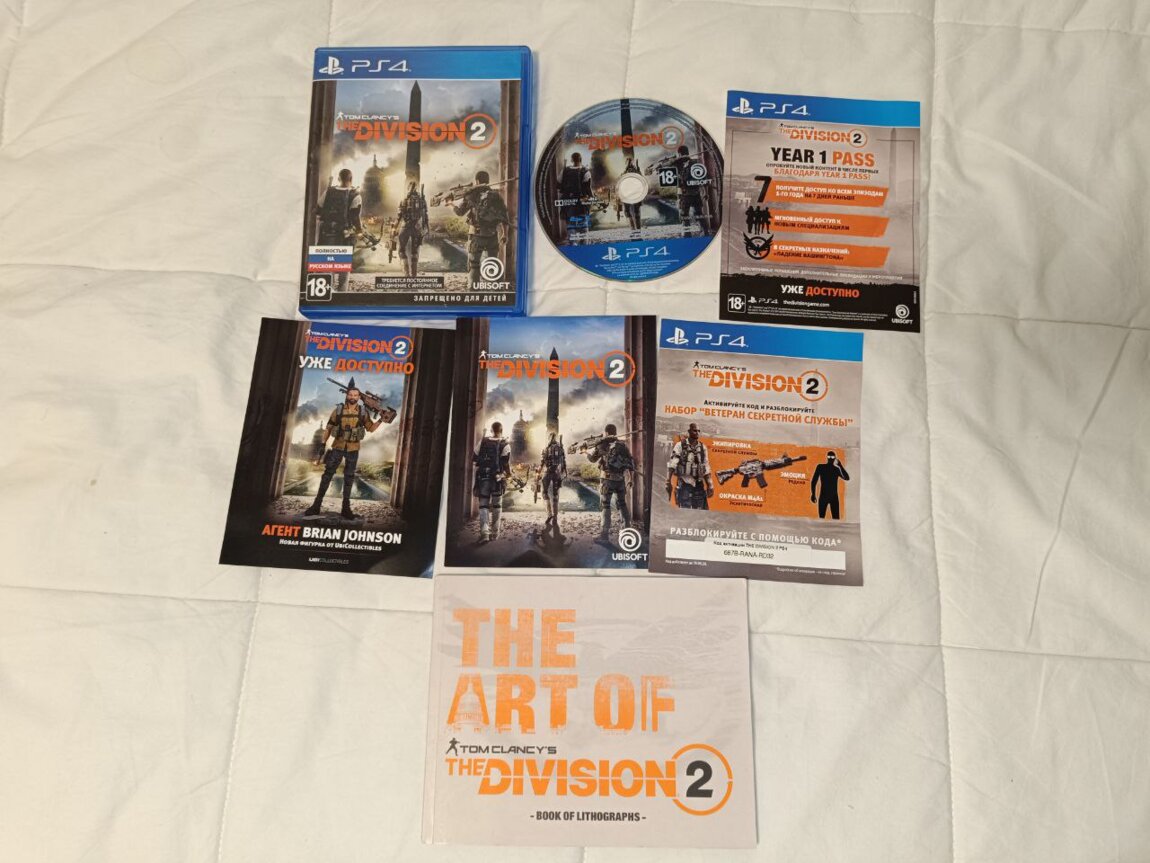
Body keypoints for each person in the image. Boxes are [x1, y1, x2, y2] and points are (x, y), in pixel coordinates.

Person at [304, 381, 386, 519]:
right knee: (327, 475)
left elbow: (371, 429)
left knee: (349, 477)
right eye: (350, 394)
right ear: (347, 396)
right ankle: (316, 505)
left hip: (353, 449)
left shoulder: (363, 412)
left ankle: (346, 509)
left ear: (359, 397)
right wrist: (323, 444)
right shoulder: (338, 410)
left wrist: (381, 420)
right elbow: (329, 428)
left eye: (355, 395)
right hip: (337, 447)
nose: (353, 397)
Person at [450, 171, 509, 287]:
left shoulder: (472, 194)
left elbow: (460, 212)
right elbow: (504, 217)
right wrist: (504, 234)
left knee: (474, 264)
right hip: (492, 235)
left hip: (476, 235)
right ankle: (499, 289)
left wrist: (451, 204)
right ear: (488, 181)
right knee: (494, 263)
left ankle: (473, 288)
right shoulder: (496, 196)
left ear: (477, 181)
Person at [315, 168, 362, 289]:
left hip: (326, 235)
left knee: (327, 268)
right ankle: (341, 295)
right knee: (343, 270)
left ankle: (328, 294)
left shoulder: (328, 191)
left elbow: (318, 210)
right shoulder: (355, 195)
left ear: (338, 178)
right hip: (344, 236)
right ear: (351, 179)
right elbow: (355, 217)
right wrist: (359, 231)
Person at [588, 424, 635, 540]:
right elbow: (630, 463)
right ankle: (627, 532)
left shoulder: (602, 444)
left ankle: (604, 536)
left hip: (607, 480)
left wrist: (585, 452)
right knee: (622, 504)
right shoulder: (622, 446)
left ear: (606, 433)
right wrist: (631, 479)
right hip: (620, 480)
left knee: (605, 505)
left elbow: (592, 459)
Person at [473, 421, 511, 542]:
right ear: (501, 430)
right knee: (497, 506)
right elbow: (505, 464)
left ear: (491, 430)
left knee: (483, 506)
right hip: (497, 479)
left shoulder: (483, 441)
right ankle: (495, 533)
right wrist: (508, 474)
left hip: (483, 478)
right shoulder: (505, 444)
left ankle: (484, 533)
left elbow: (474, 459)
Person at [666, 422, 713, 509]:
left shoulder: (702, 447)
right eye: (695, 430)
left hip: (698, 484)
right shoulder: (680, 445)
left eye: (698, 431)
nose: (697, 433)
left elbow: (706, 467)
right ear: (689, 431)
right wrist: (668, 481)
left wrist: (710, 485)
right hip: (685, 483)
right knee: (684, 508)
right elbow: (672, 464)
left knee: (701, 508)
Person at [395, 181, 429, 277]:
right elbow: (425, 215)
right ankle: (414, 274)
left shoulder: (404, 200)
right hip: (417, 228)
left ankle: (406, 274)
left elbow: (399, 216)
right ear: (416, 189)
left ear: (408, 188)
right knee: (415, 252)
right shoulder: (422, 200)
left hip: (405, 227)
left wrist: (394, 228)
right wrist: (426, 228)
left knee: (401, 250)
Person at [558, 152, 592, 242]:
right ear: (581, 159)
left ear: (571, 160)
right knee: (584, 230)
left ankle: (574, 245)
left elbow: (559, 184)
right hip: (581, 204)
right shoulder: (586, 171)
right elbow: (587, 189)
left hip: (568, 203)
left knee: (571, 229)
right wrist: (590, 201)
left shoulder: (564, 171)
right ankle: (584, 246)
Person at [537, 432, 567, 528]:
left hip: (548, 472)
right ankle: (555, 515)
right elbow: (563, 462)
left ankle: (549, 514)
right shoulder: (560, 448)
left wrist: (538, 472)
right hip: (556, 473)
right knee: (555, 494)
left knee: (544, 492)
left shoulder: (546, 449)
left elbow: (542, 462)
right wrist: (563, 472)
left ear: (549, 438)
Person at [810, 450, 850, 519]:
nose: (831, 458)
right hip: (825, 496)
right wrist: (813, 494)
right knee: (822, 518)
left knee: (835, 519)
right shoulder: (821, 467)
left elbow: (847, 478)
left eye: (832, 457)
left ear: (834, 458)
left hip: (831, 497)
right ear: (827, 457)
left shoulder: (835, 469)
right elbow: (814, 481)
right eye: (829, 457)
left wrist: (840, 466)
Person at [621, 157, 643, 235]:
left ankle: (634, 230)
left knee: (629, 212)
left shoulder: (626, 172)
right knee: (635, 212)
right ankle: (637, 230)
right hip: (633, 194)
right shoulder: (636, 171)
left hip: (630, 194)